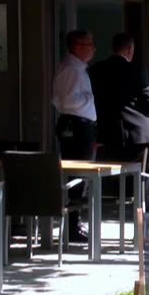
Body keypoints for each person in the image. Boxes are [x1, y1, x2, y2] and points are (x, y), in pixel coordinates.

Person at [89, 32, 149, 213]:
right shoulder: (136, 70)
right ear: (130, 49)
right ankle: (145, 222)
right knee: (148, 179)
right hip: (144, 133)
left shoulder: (95, 71)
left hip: (111, 135)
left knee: (119, 176)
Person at [51, 29, 97, 244]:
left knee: (80, 176)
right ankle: (72, 225)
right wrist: (91, 99)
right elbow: (68, 101)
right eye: (89, 45)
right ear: (77, 47)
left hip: (80, 124)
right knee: (76, 175)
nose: (93, 49)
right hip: (76, 125)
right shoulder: (72, 69)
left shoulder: (77, 68)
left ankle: (74, 222)